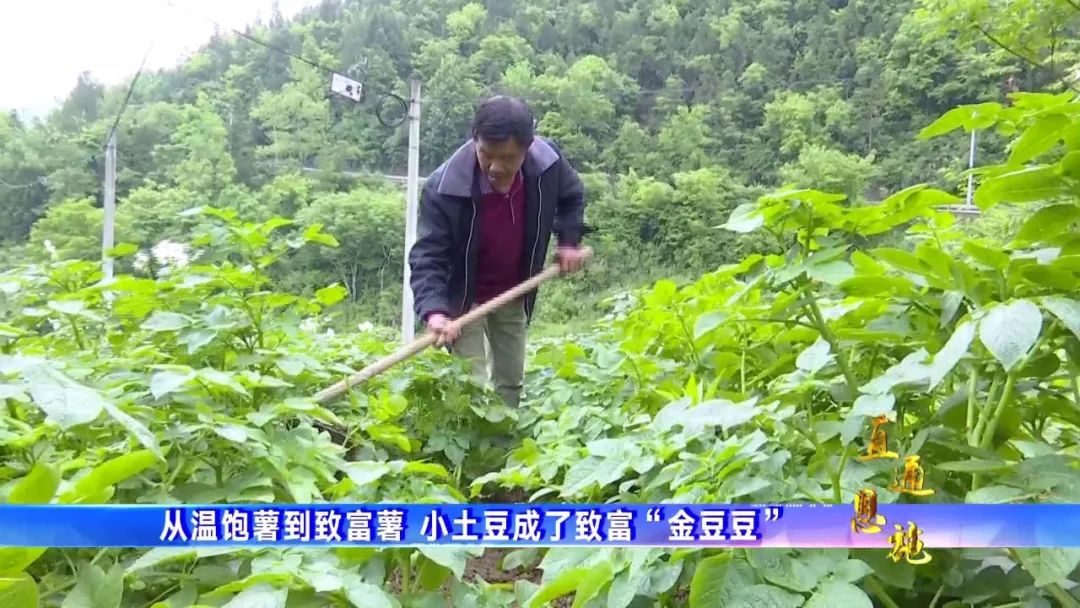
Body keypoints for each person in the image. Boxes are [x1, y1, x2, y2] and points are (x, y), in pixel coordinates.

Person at [407, 95, 588, 408]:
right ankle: (475, 450)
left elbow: (572, 197)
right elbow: (428, 256)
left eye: (507, 158)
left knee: (511, 380)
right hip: (464, 298)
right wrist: (435, 311)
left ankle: (503, 448)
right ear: (474, 140)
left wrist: (568, 242)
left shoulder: (548, 165)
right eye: (486, 154)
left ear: (526, 149)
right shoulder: (444, 187)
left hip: (515, 289)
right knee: (471, 388)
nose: (494, 167)